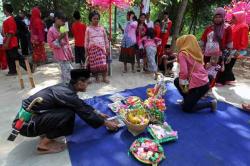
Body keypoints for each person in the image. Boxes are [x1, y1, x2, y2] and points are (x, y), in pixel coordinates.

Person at [11, 69, 119, 154]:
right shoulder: (67, 94)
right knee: (68, 113)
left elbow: (78, 103)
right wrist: (106, 123)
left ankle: (44, 131)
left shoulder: (66, 87)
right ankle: (43, 145)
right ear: (80, 82)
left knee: (69, 110)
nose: (88, 85)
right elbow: (84, 112)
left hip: (27, 119)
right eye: (87, 82)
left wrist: (97, 112)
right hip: (24, 125)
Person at [174, 35, 217, 113]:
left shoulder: (183, 53)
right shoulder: (197, 53)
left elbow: (184, 72)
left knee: (187, 108)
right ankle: (188, 99)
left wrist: (185, 88)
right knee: (177, 81)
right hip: (204, 83)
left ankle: (210, 104)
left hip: (198, 86)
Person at [201, 7, 235, 86]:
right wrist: (201, 49)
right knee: (206, 70)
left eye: (220, 17)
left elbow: (229, 42)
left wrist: (229, 54)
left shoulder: (227, 28)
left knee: (215, 72)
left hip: (218, 55)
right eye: (216, 17)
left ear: (223, 17)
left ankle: (211, 86)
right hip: (207, 54)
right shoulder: (209, 27)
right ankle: (205, 87)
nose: (217, 19)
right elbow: (203, 40)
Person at [2, 4, 31, 76]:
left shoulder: (10, 19)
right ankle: (12, 70)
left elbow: (11, 32)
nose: (3, 11)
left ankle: (30, 66)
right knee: (9, 56)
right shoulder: (8, 19)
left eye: (4, 9)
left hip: (11, 41)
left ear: (6, 10)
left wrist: (7, 42)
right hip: (8, 40)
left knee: (16, 56)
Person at [47, 11, 74, 83]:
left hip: (66, 53)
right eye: (62, 21)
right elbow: (51, 44)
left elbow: (67, 42)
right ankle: (67, 88)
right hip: (59, 55)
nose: (63, 23)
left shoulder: (63, 28)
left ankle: (64, 87)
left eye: (64, 21)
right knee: (67, 72)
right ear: (56, 19)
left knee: (66, 73)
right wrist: (59, 38)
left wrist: (71, 54)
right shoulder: (51, 30)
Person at [85, 11, 110, 83]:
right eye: (94, 18)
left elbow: (105, 38)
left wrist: (107, 48)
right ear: (91, 19)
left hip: (102, 49)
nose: (96, 20)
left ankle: (104, 77)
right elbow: (86, 41)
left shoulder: (102, 28)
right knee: (94, 65)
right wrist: (86, 51)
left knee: (103, 63)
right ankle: (96, 78)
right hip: (92, 49)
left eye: (97, 18)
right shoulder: (88, 29)